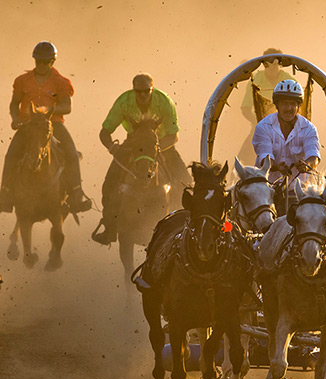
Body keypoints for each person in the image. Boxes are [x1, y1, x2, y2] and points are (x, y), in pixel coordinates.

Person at [92, 73, 191, 245]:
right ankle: (109, 228)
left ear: (152, 90)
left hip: (161, 144)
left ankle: (188, 227)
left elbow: (173, 136)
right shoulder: (123, 102)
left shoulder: (164, 102)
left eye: (147, 91)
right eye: (139, 92)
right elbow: (104, 132)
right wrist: (113, 148)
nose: (143, 95)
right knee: (109, 185)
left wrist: (156, 148)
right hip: (133, 145)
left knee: (187, 183)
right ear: (134, 90)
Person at [0, 41, 91, 213]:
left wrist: (50, 110)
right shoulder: (22, 81)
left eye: (45, 62)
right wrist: (14, 118)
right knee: (11, 154)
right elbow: (14, 104)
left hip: (53, 124)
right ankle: (5, 194)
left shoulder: (61, 82)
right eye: (38, 61)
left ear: (52, 62)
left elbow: (67, 106)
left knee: (71, 152)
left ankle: (76, 196)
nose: (41, 65)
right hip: (28, 125)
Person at [252, 79, 320, 213]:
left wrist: (307, 164)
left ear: (298, 106)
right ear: (276, 105)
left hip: (297, 191)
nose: (289, 108)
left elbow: (314, 157)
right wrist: (276, 167)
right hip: (267, 190)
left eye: (293, 104)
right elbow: (266, 158)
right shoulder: (263, 127)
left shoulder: (309, 129)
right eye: (284, 104)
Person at [236, 48, 294, 165]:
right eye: (270, 64)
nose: (274, 68)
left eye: (277, 64)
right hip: (260, 129)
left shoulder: (289, 80)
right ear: (264, 65)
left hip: (287, 130)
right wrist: (258, 122)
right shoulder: (255, 80)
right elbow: (245, 108)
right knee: (241, 162)